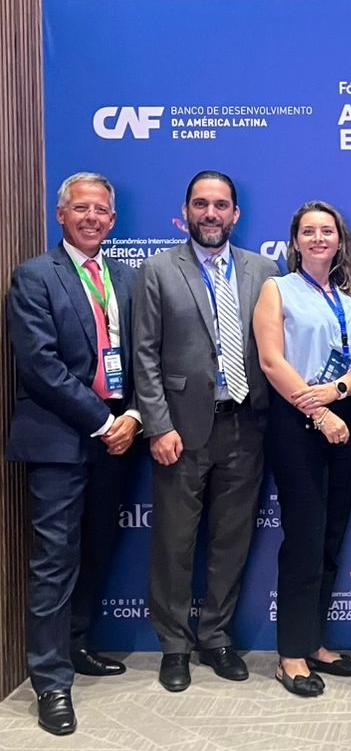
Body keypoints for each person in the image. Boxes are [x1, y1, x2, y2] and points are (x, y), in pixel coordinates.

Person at [133, 170, 279, 692]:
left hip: (246, 424)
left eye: (220, 205)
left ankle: (216, 637)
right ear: (186, 212)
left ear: (235, 213)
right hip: (180, 430)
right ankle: (174, 646)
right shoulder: (158, 269)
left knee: (231, 540)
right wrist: (158, 425)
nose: (210, 213)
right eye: (201, 204)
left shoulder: (265, 270)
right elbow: (144, 355)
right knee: (174, 543)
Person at [6, 172, 141, 735]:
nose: (92, 218)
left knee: (97, 550)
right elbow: (40, 366)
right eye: (81, 208)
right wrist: (103, 421)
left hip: (120, 439)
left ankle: (77, 645)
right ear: (60, 215)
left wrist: (133, 417)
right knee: (55, 560)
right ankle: (50, 682)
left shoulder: (126, 278)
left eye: (101, 210)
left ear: (113, 220)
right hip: (61, 440)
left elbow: (145, 356)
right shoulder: (34, 276)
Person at [254, 201, 351, 696]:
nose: (319, 238)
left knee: (330, 537)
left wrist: (338, 393)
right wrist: (319, 411)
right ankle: (290, 655)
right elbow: (271, 361)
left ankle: (314, 642)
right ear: (295, 241)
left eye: (327, 230)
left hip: (347, 420)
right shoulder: (277, 289)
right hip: (298, 422)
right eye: (309, 231)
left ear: (340, 240)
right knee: (303, 538)